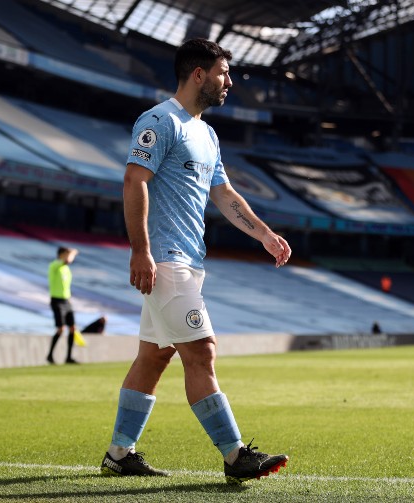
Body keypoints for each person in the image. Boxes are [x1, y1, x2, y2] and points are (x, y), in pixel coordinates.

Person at [100, 38, 292, 484]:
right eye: (224, 73)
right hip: (165, 261)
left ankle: (118, 453)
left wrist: (264, 234)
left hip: (187, 261)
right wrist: (141, 249)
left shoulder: (206, 133)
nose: (230, 81)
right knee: (202, 351)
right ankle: (235, 455)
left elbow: (223, 194)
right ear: (199, 74)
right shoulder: (159, 121)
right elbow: (134, 182)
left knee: (154, 358)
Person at [46, 246, 79, 364]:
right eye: (66, 254)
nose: (68, 257)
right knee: (61, 329)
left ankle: (69, 357)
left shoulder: (66, 269)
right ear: (61, 255)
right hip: (57, 301)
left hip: (67, 301)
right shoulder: (55, 265)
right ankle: (50, 355)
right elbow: (66, 261)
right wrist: (73, 253)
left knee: (72, 328)